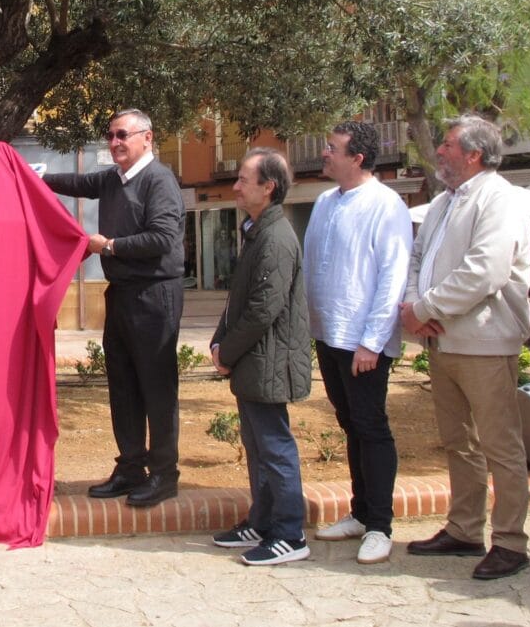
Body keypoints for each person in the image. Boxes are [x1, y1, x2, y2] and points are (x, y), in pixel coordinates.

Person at [399, 114, 530, 580]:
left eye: (448, 144)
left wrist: (427, 307)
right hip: (445, 340)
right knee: (459, 442)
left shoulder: (499, 200)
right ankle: (464, 528)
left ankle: (511, 541)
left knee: (501, 445)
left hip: (486, 341)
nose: (438, 150)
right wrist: (415, 303)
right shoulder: (441, 203)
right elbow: (418, 258)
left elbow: (485, 271)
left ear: (474, 154)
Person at [43, 109, 185, 507]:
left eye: (123, 134)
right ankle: (130, 467)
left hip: (155, 294)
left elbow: (161, 237)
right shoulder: (112, 179)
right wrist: (28, 178)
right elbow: (74, 181)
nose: (115, 142)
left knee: (156, 388)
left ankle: (163, 474)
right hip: (121, 292)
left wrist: (109, 246)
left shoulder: (160, 181)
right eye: (110, 135)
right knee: (122, 386)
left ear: (147, 138)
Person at [302, 123, 412, 565]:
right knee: (349, 423)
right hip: (328, 335)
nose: (324, 154)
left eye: (332, 149)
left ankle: (380, 526)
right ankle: (360, 511)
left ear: (358, 158)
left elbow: (393, 275)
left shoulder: (387, 205)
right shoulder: (325, 202)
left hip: (363, 341)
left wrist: (372, 340)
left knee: (371, 426)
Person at [208, 149, 311, 565]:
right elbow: (239, 300)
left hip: (268, 361)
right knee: (257, 445)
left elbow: (262, 309)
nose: (235, 187)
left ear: (268, 188)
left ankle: (290, 533)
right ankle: (263, 520)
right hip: (254, 360)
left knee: (275, 447)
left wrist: (227, 351)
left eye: (244, 180)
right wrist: (220, 342)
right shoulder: (258, 231)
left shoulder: (276, 237)